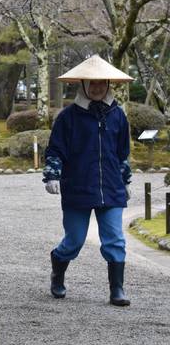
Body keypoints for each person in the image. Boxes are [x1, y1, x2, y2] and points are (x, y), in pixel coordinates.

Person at [43, 54, 134, 307]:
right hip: (78, 187)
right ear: (82, 85)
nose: (97, 88)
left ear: (108, 84)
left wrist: (126, 181)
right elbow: (55, 150)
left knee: (115, 238)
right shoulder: (68, 117)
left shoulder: (118, 115)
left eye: (101, 83)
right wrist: (52, 174)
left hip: (111, 188)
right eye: (91, 84)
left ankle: (117, 289)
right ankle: (57, 273)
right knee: (74, 240)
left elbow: (122, 153)